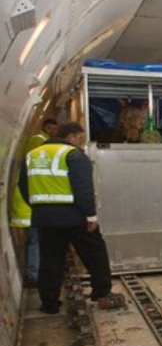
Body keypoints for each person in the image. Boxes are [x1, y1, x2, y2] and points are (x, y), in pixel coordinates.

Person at [19, 121, 112, 314]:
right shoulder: (74, 156)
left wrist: (40, 207)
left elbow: (23, 187)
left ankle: (50, 303)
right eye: (80, 139)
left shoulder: (31, 156)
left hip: (44, 218)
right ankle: (102, 293)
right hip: (74, 216)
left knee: (50, 260)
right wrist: (91, 215)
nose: (81, 143)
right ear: (70, 136)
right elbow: (83, 190)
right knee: (95, 254)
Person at [9, 118, 59, 288]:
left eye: (55, 129)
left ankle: (36, 273)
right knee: (36, 242)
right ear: (44, 127)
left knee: (36, 242)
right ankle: (34, 276)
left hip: (29, 209)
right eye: (51, 128)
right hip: (31, 210)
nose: (53, 131)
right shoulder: (39, 141)